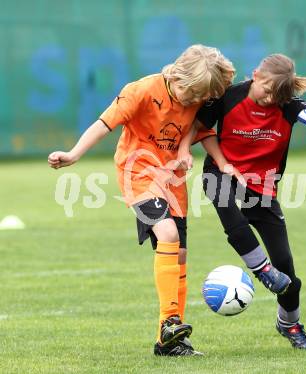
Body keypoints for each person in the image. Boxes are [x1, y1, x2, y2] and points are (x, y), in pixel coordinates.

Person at [48, 44, 236, 356]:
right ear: (179, 75)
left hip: (171, 177)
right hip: (137, 171)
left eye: (202, 98)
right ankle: (171, 321)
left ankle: (169, 341)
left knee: (180, 254)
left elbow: (201, 130)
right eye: (192, 95)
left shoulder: (199, 94)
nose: (195, 102)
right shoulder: (141, 91)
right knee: (168, 234)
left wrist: (209, 158)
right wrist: (73, 154)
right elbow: (104, 123)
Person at [184, 53, 306, 350]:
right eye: (267, 89)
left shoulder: (288, 106)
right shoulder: (228, 96)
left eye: (277, 94)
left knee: (288, 275)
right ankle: (261, 270)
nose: (270, 98)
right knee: (229, 212)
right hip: (222, 172)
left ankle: (290, 324)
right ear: (256, 74)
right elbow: (200, 128)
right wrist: (195, 154)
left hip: (262, 187)